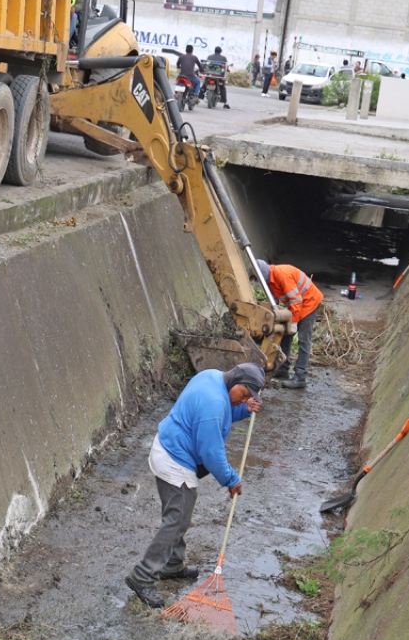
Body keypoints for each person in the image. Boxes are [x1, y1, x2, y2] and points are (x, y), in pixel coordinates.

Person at [125, 362, 265, 609]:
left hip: (167, 445)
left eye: (248, 398)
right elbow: (211, 451)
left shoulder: (212, 376)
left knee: (177, 513)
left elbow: (218, 415)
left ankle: (173, 564)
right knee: (177, 519)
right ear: (236, 381)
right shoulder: (215, 402)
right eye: (244, 395)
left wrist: (243, 410)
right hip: (174, 461)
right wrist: (232, 479)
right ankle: (142, 576)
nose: (243, 400)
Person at [256, 259, 323, 388]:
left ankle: (300, 377)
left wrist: (294, 323)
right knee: (286, 334)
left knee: (304, 339)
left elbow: (296, 300)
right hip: (297, 304)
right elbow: (274, 301)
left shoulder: (282, 275)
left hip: (310, 302)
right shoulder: (270, 280)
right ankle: (283, 369)